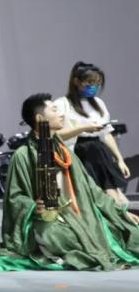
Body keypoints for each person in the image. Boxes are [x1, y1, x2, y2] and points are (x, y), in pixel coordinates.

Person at [0, 93, 139, 272]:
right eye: (54, 110)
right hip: (51, 220)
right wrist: (34, 207)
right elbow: (14, 198)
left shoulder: (66, 153)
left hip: (84, 216)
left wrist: (120, 212)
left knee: (129, 231)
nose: (61, 114)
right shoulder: (22, 156)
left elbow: (92, 189)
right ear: (40, 118)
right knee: (54, 235)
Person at [54, 61, 130, 206]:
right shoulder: (62, 104)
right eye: (89, 83)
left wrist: (119, 159)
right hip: (78, 152)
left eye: (97, 83)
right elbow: (55, 135)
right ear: (76, 82)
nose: (93, 87)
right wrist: (82, 128)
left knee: (113, 194)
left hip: (99, 151)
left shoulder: (98, 103)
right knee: (99, 195)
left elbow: (106, 133)